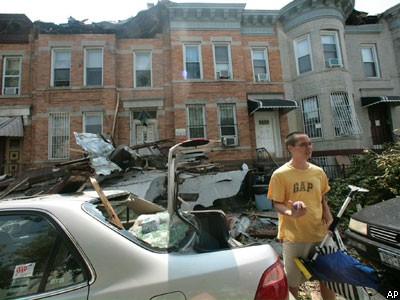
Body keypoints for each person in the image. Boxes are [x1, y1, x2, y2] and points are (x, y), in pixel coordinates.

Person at [267, 132, 336, 300]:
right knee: (292, 282)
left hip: (319, 234)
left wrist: (330, 219)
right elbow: (277, 203)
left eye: (310, 144)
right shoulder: (280, 174)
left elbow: (321, 199)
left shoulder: (318, 172)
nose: (308, 148)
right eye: (303, 144)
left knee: (328, 279)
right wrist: (291, 213)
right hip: (294, 236)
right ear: (291, 148)